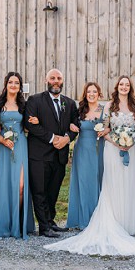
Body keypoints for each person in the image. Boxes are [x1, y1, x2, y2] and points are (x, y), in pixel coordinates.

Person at [44, 76, 135, 255]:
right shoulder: (110, 106)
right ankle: (116, 221)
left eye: (127, 85)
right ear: (117, 87)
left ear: (130, 87)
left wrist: (130, 141)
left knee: (130, 185)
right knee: (113, 184)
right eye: (121, 84)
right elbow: (104, 129)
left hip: (132, 150)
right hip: (112, 148)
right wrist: (117, 142)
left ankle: (130, 224)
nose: (124, 87)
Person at [24, 69, 79, 238]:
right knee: (39, 190)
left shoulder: (69, 103)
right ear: (46, 80)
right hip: (39, 154)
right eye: (52, 78)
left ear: (62, 81)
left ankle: (50, 220)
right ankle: (43, 226)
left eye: (59, 78)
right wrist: (53, 138)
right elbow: (30, 125)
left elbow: (75, 125)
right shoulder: (35, 100)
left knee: (53, 190)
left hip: (60, 154)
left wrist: (67, 138)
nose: (56, 81)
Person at [0, 72, 35, 239]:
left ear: (20, 86)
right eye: (10, 82)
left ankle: (17, 223)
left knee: (20, 186)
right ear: (6, 85)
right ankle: (3, 224)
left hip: (20, 146)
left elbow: (27, 124)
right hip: (3, 146)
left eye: (16, 83)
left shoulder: (24, 104)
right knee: (3, 185)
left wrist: (35, 122)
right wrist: (2, 139)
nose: (13, 85)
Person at [66, 82, 106, 229]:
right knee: (82, 182)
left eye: (94, 91)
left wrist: (105, 131)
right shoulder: (80, 110)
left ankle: (97, 218)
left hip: (98, 149)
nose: (91, 94)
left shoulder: (104, 110)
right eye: (89, 91)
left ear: (99, 94)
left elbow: (109, 127)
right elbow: (71, 125)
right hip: (82, 149)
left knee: (97, 180)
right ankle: (81, 218)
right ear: (85, 94)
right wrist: (71, 126)